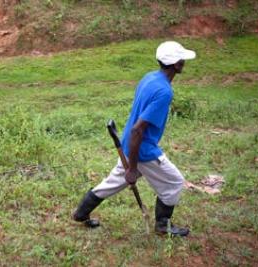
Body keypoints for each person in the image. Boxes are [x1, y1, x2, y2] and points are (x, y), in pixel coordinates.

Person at [72, 41, 196, 237]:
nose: (184, 63)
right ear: (177, 64)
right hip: (142, 149)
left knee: (113, 182)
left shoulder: (149, 77)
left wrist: (130, 162)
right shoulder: (164, 91)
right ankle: (163, 224)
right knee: (174, 182)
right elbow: (139, 130)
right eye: (182, 60)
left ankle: (81, 213)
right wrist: (132, 167)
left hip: (130, 145)